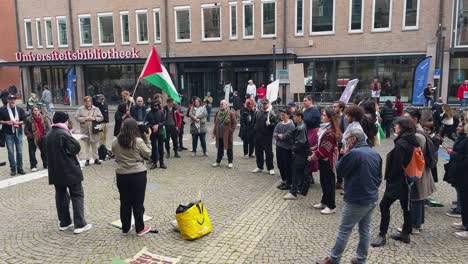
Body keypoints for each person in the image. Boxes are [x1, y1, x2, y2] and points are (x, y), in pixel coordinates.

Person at [316, 129, 382, 264]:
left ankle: (334, 258)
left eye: (347, 140)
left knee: (344, 230)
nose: (345, 142)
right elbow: (379, 178)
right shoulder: (375, 154)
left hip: (357, 198)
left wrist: (345, 153)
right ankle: (361, 259)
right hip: (371, 197)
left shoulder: (353, 153)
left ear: (353, 139)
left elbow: (339, 171)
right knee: (365, 230)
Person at [371, 117, 418, 247]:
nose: (394, 127)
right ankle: (406, 233)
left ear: (402, 127)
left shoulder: (402, 143)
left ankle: (382, 234)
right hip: (408, 179)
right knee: (406, 207)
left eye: (396, 125)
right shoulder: (412, 139)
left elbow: (397, 165)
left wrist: (389, 181)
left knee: (384, 205)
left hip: (398, 181)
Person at [44, 111, 92, 234]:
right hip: (69, 170)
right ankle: (80, 224)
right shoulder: (63, 133)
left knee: (61, 196)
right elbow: (75, 148)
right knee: (77, 195)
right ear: (64, 121)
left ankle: (64, 222)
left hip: (55, 171)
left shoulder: (49, 133)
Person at [111, 118, 152, 236]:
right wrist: (148, 140)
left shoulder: (115, 141)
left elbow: (114, 153)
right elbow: (148, 153)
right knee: (138, 202)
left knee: (124, 201)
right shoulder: (138, 141)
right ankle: (140, 228)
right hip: (137, 174)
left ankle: (125, 227)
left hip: (122, 174)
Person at [402, 107, 436, 235]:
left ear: (414, 119)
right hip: (420, 171)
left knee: (415, 197)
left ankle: (414, 225)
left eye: (406, 118)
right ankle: (418, 223)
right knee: (418, 198)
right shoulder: (417, 132)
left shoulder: (417, 135)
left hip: (417, 171)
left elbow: (414, 156)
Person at [309, 108, 342, 214]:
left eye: (324, 115)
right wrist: (314, 148)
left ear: (329, 118)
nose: (321, 117)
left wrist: (313, 156)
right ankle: (324, 202)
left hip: (329, 161)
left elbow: (324, 149)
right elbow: (320, 145)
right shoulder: (324, 129)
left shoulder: (330, 133)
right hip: (323, 161)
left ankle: (331, 206)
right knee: (324, 182)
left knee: (329, 183)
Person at [279, 110, 309, 200]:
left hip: (300, 153)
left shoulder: (301, 127)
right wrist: (284, 136)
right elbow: (292, 133)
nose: (293, 118)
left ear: (299, 117)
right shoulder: (300, 125)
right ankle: (300, 188)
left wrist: (293, 149)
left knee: (296, 172)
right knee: (300, 172)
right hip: (302, 152)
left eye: (295, 116)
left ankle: (293, 192)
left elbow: (300, 142)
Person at [449, 119, 468, 239]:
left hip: (465, 173)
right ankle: (464, 223)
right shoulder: (464, 138)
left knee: (466, 200)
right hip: (462, 174)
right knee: (463, 198)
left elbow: (464, 157)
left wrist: (454, 154)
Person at [0, 94, 27, 176]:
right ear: (7, 100)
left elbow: (24, 120)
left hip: (18, 132)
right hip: (8, 133)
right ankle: (13, 169)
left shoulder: (19, 109)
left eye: (13, 99)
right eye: (10, 99)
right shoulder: (2, 109)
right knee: (11, 152)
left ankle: (20, 168)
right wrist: (6, 122)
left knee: (19, 151)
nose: (12, 101)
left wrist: (18, 122)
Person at [445, 120, 466, 218]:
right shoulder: (461, 138)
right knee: (458, 189)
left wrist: (452, 153)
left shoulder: (464, 139)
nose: (457, 128)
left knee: (461, 189)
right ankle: (459, 207)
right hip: (457, 166)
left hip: (461, 167)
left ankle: (460, 209)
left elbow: (462, 155)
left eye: (461, 126)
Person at [75, 96, 104, 166]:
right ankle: (87, 159)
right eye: (86, 101)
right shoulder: (80, 109)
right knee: (86, 146)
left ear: (91, 102)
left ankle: (96, 159)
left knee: (95, 145)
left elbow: (101, 117)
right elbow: (76, 117)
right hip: (85, 130)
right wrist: (85, 118)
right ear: (84, 102)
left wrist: (94, 118)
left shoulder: (96, 109)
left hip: (94, 130)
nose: (87, 103)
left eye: (89, 101)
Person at [252, 98, 277, 175]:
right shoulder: (257, 112)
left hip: (267, 136)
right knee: (258, 152)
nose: (264, 105)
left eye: (265, 103)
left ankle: (270, 168)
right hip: (258, 136)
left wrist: (270, 124)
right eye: (263, 103)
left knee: (268, 153)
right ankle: (259, 167)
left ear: (268, 104)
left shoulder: (272, 114)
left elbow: (276, 125)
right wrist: (254, 131)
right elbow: (253, 123)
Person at [273, 108, 295, 190]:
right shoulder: (279, 124)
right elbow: (275, 133)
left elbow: (286, 136)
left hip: (287, 148)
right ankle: (284, 180)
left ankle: (289, 182)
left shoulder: (291, 125)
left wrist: (280, 136)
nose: (282, 116)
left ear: (288, 115)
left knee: (287, 165)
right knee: (280, 165)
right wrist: (279, 136)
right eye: (281, 115)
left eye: (283, 115)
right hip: (279, 147)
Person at [24, 106, 50, 172]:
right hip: (33, 137)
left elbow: (48, 127)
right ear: (32, 111)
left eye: (37, 110)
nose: (36, 111)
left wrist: (46, 135)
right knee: (32, 152)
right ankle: (33, 165)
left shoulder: (43, 118)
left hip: (43, 137)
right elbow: (26, 130)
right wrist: (31, 136)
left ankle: (46, 163)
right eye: (35, 110)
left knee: (44, 151)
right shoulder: (28, 119)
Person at [212, 100, 237, 168]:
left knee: (229, 148)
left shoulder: (231, 113)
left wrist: (231, 130)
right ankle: (218, 161)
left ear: (226, 105)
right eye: (220, 104)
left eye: (222, 104)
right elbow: (216, 124)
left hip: (227, 135)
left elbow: (234, 123)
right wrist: (214, 133)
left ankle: (230, 162)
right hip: (219, 134)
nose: (221, 105)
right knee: (220, 149)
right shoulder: (218, 113)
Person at [303, 95, 321, 177]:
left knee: (311, 151)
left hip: (313, 132)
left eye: (306, 100)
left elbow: (311, 121)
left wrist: (302, 118)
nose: (304, 102)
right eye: (303, 100)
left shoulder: (314, 111)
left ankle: (311, 171)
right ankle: (308, 173)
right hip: (307, 131)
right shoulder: (305, 110)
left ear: (310, 101)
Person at [145, 101, 166, 169]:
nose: (156, 107)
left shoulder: (161, 112)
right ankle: (154, 162)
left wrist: (158, 125)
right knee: (154, 148)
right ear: (152, 106)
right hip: (153, 133)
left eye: (157, 105)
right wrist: (152, 126)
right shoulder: (148, 114)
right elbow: (146, 122)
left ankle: (161, 162)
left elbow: (164, 121)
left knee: (161, 148)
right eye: (155, 106)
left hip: (160, 132)